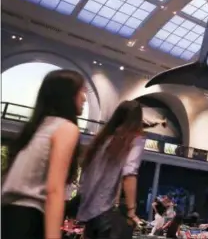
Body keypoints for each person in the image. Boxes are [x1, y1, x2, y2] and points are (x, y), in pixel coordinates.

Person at [1, 70, 85, 239]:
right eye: (81, 91)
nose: (84, 98)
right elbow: (54, 189)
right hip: (29, 219)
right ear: (67, 95)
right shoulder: (66, 128)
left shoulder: (37, 128)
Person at [76, 100, 146, 238]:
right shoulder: (134, 139)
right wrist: (131, 211)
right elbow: (129, 173)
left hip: (90, 214)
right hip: (107, 214)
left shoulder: (101, 140)